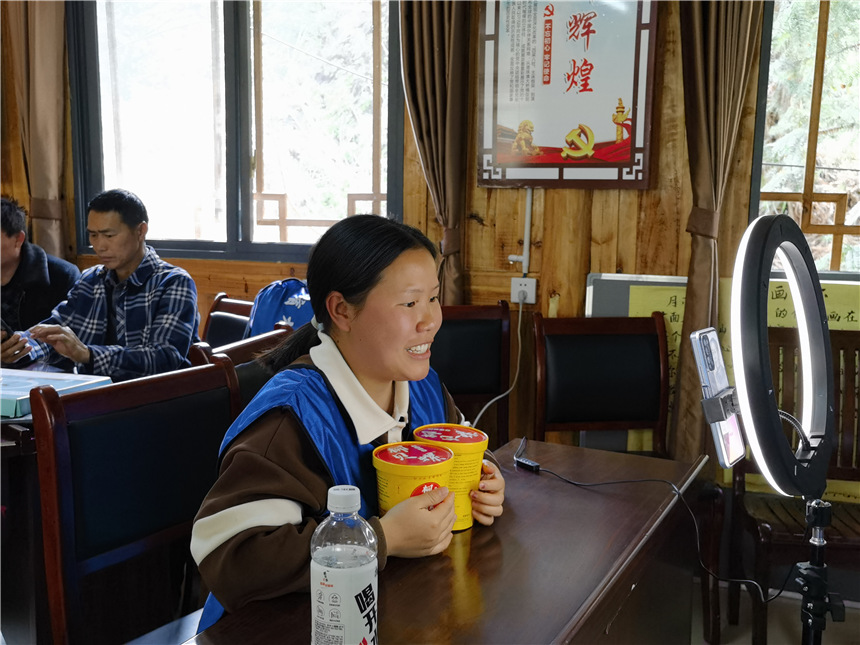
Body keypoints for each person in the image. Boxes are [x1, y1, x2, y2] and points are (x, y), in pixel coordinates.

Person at [191, 215, 506, 629]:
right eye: (410, 303)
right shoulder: (291, 418)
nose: (430, 320)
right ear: (341, 310)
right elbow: (230, 557)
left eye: (433, 298)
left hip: (396, 612)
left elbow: (466, 451)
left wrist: (485, 481)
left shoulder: (423, 386)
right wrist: (382, 538)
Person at [2, 188, 200, 381]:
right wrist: (19, 347)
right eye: (93, 235)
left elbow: (166, 358)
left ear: (140, 231)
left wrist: (87, 354)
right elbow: (57, 330)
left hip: (162, 395)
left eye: (109, 235)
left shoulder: (174, 282)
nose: (99, 246)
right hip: (100, 393)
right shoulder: (91, 279)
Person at [0, 197, 81, 366]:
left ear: (18, 239)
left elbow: (75, 341)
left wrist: (23, 352)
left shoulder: (62, 276)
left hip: (49, 372)